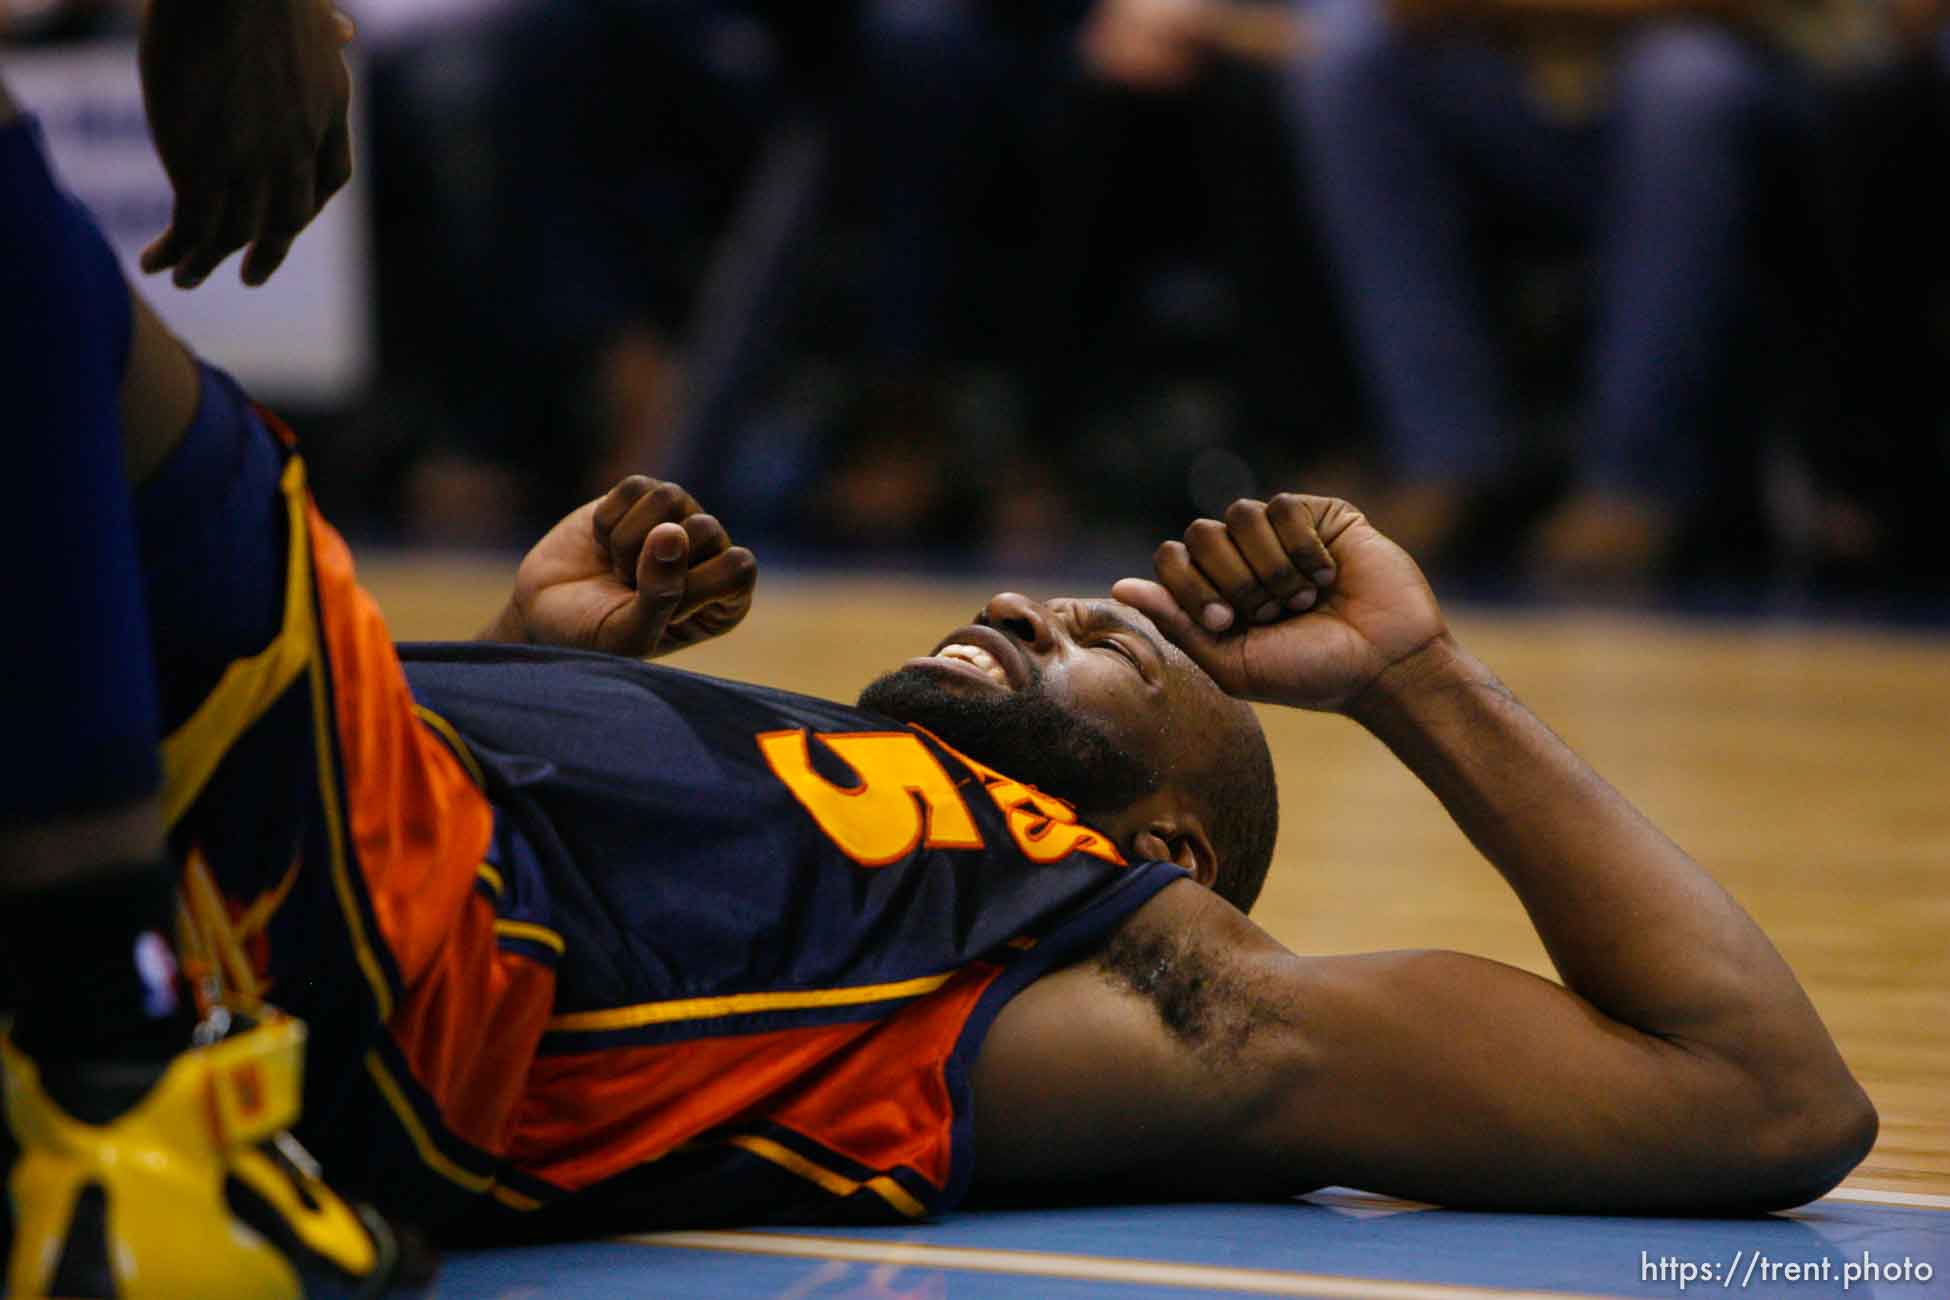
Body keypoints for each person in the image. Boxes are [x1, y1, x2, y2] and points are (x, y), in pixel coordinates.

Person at [3, 66, 1876, 1299]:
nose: (1026, 599)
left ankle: (112, 1092)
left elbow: (1761, 1100)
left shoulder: (1122, 952)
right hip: (275, 838)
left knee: (34, 260)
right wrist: (514, 677)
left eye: (1110, 638)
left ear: (1171, 844)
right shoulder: (801, 789)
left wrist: (1418, 676)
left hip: (359, 977)